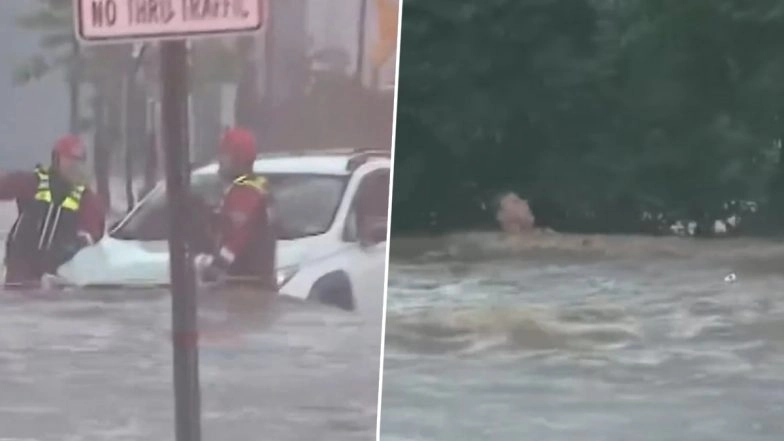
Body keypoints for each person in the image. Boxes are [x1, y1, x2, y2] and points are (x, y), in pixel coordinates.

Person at [0, 135, 105, 287]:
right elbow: (5, 186)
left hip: (56, 276)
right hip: (20, 269)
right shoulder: (34, 182)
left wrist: (76, 245)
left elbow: (93, 233)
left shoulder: (86, 199)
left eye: (78, 162)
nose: (74, 166)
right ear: (56, 160)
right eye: (69, 161)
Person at [192, 127, 277, 294]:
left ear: (238, 159)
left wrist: (215, 266)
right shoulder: (257, 186)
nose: (220, 160)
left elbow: (236, 239)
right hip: (257, 283)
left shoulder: (245, 193)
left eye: (225, 155)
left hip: (245, 286)